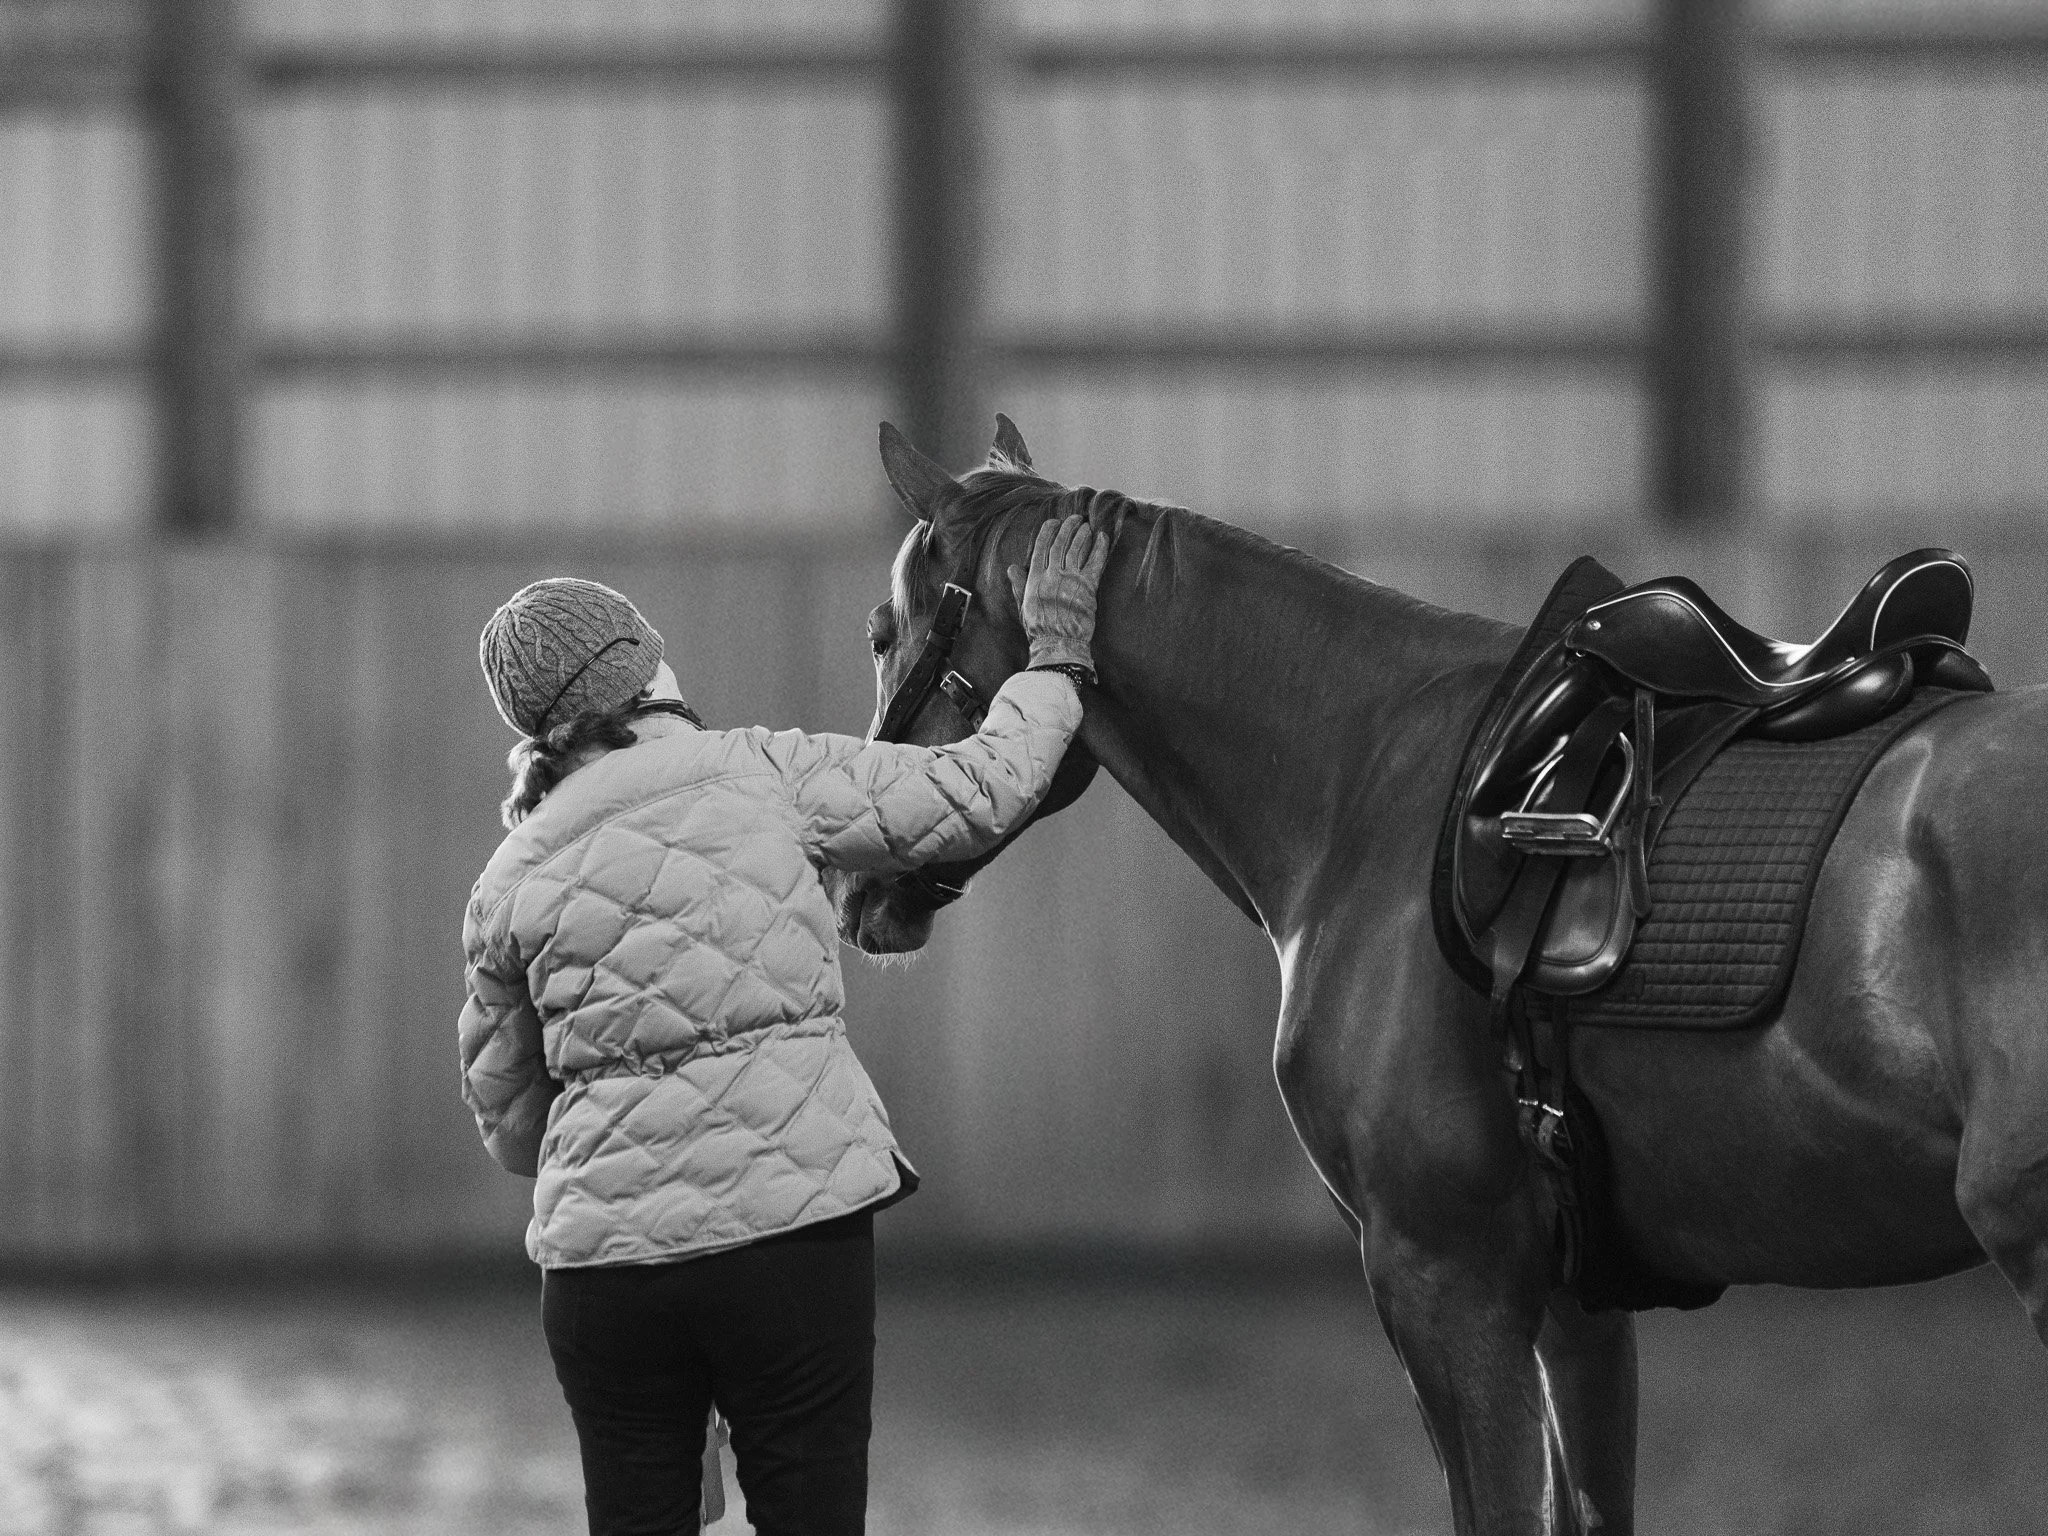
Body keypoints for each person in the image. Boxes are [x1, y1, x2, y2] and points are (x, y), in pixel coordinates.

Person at [459, 514, 1109, 1536]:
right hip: (788, 1243)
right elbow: (980, 792)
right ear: (644, 670)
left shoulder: (505, 881)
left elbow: (508, 1126)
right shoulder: (762, 771)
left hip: (604, 1278)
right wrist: (1058, 654)